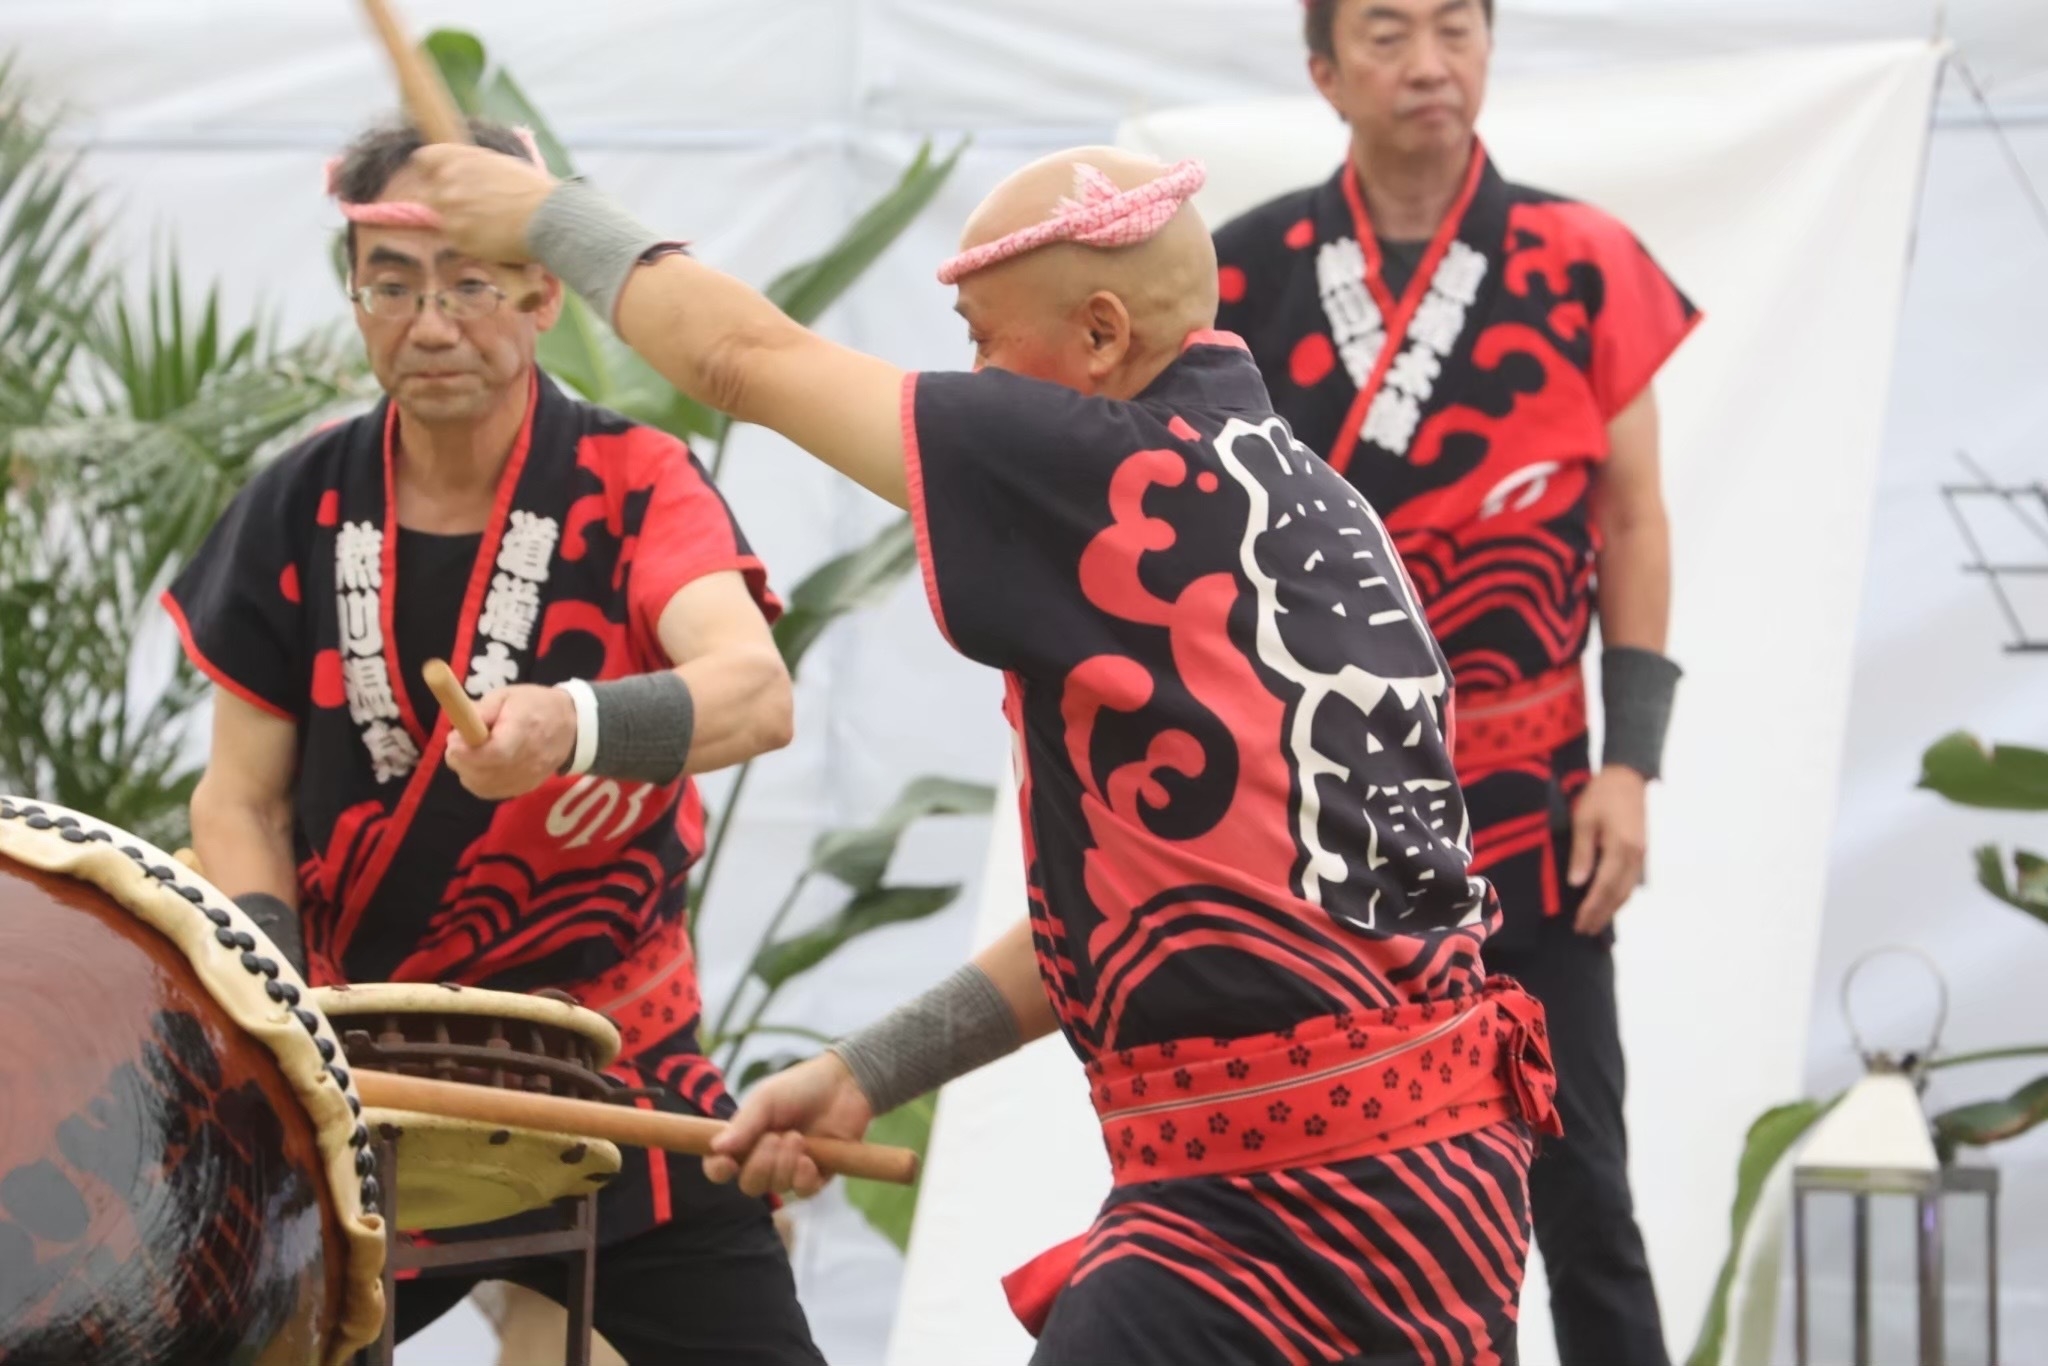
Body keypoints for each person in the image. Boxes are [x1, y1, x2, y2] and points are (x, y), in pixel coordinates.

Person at [408, 135, 1563, 1365]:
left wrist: (548, 215)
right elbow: (1170, 913)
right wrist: (872, 1067)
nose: (969, 381)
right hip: (1436, 1198)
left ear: (1101, 333)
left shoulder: (1099, 465)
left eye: (981, 341)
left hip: (1267, 1209)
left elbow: (738, 356)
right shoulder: (1329, 516)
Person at [162, 117, 824, 1366]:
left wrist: (574, 723)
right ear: (355, 297)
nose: (430, 325)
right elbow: (241, 801)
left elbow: (753, 693)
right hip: (373, 1085)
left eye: (469, 283)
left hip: (614, 1072)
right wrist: (282, 1015)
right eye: (393, 286)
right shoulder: (298, 503)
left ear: (540, 293)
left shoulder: (639, 481)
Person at [1210, 1, 1699, 1360]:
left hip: (1534, 795)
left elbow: (1633, 519)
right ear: (1324, 71)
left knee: (1582, 1180)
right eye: (1386, 34)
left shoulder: (1585, 259)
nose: (1428, 64)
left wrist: (1628, 764)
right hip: (1318, 812)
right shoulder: (1240, 272)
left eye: (1454, 29)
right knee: (1328, 1186)